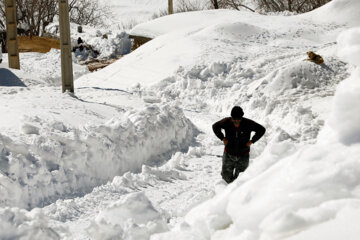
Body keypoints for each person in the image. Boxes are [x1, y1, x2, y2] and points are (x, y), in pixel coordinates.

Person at [212, 106, 266, 183]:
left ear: (241, 118)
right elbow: (215, 126)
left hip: (243, 156)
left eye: (238, 119)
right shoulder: (226, 121)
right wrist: (222, 138)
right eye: (234, 119)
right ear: (231, 117)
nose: (236, 121)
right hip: (228, 155)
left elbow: (261, 129)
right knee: (226, 179)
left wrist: (252, 141)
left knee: (240, 180)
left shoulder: (248, 123)